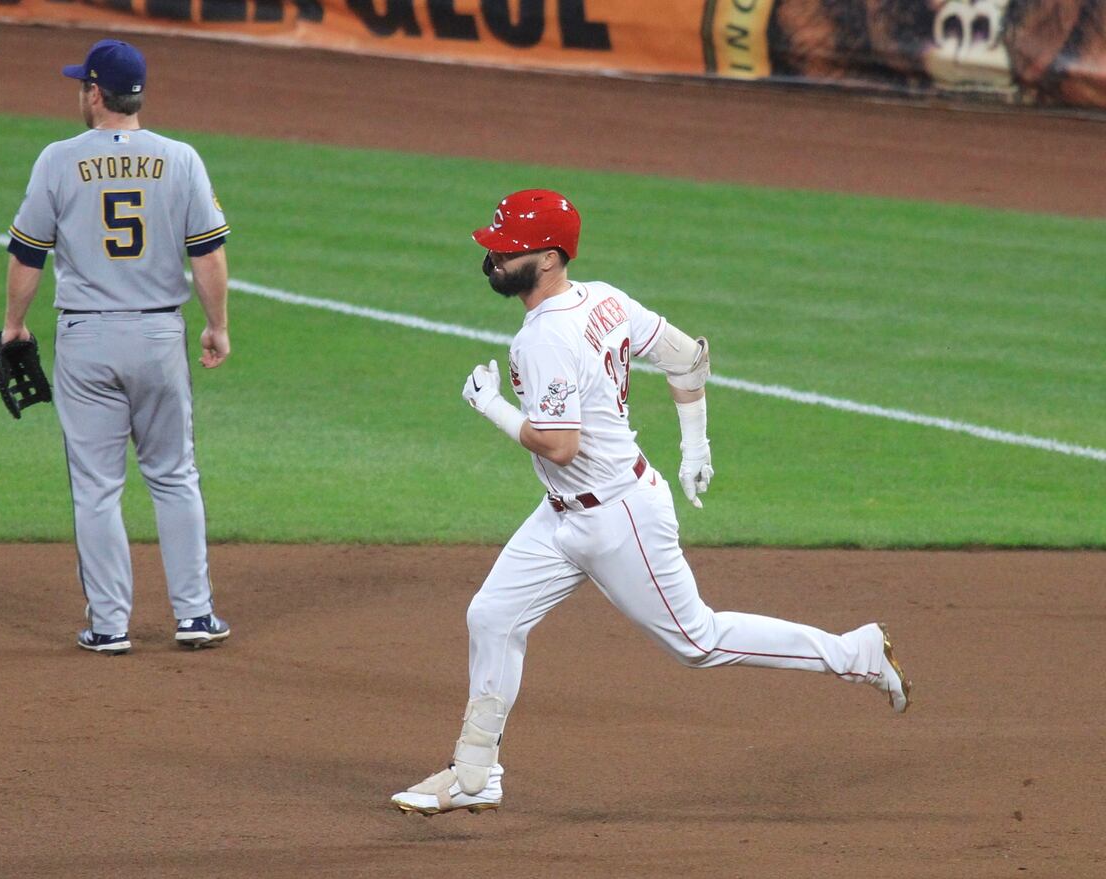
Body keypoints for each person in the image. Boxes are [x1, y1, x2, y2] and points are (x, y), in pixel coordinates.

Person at [390, 189, 911, 815]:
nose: (494, 257)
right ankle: (476, 773)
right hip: (562, 515)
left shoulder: (545, 338)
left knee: (698, 641)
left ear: (550, 258)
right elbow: (688, 357)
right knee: (492, 617)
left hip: (618, 517)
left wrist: (491, 405)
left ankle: (853, 653)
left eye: (508, 249)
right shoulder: (604, 299)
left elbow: (558, 444)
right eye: (494, 245)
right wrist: (695, 446)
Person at [2, 39, 233, 655]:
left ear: (96, 94)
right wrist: (217, 325)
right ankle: (195, 615)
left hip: (86, 336)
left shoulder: (57, 159)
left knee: (97, 487)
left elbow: (28, 254)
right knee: (174, 475)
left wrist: (13, 325)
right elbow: (207, 253)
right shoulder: (180, 158)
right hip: (159, 334)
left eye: (83, 85)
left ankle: (108, 626)